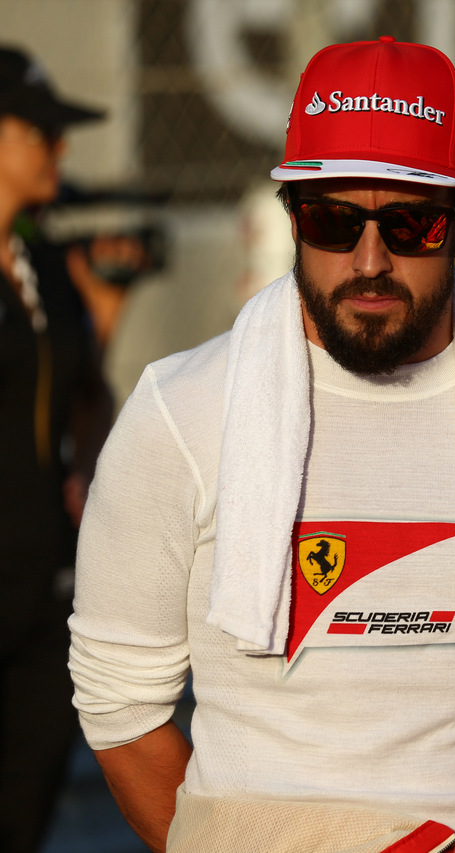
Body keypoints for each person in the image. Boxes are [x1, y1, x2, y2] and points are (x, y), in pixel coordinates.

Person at [68, 37, 455, 853]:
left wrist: (446, 808)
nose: (369, 260)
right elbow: (120, 702)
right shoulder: (179, 411)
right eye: (333, 220)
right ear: (293, 215)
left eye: (411, 221)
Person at [0, 44, 112, 853]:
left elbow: (75, 395)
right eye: (40, 131)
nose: (58, 149)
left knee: (28, 791)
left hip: (41, 580)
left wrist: (101, 313)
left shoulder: (37, 258)